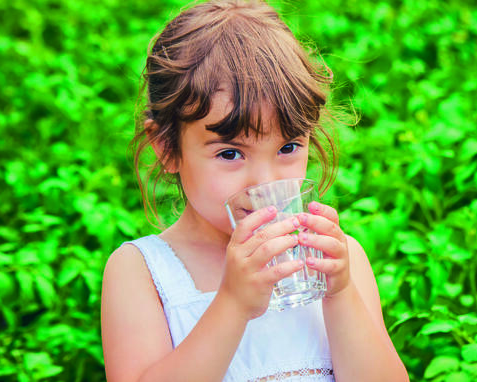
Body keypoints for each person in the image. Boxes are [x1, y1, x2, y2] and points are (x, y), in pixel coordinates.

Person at [101, 0, 409, 381]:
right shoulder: (142, 272)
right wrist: (232, 304)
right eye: (231, 153)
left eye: (288, 148)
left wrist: (341, 294)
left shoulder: (337, 261)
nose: (264, 182)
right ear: (166, 148)